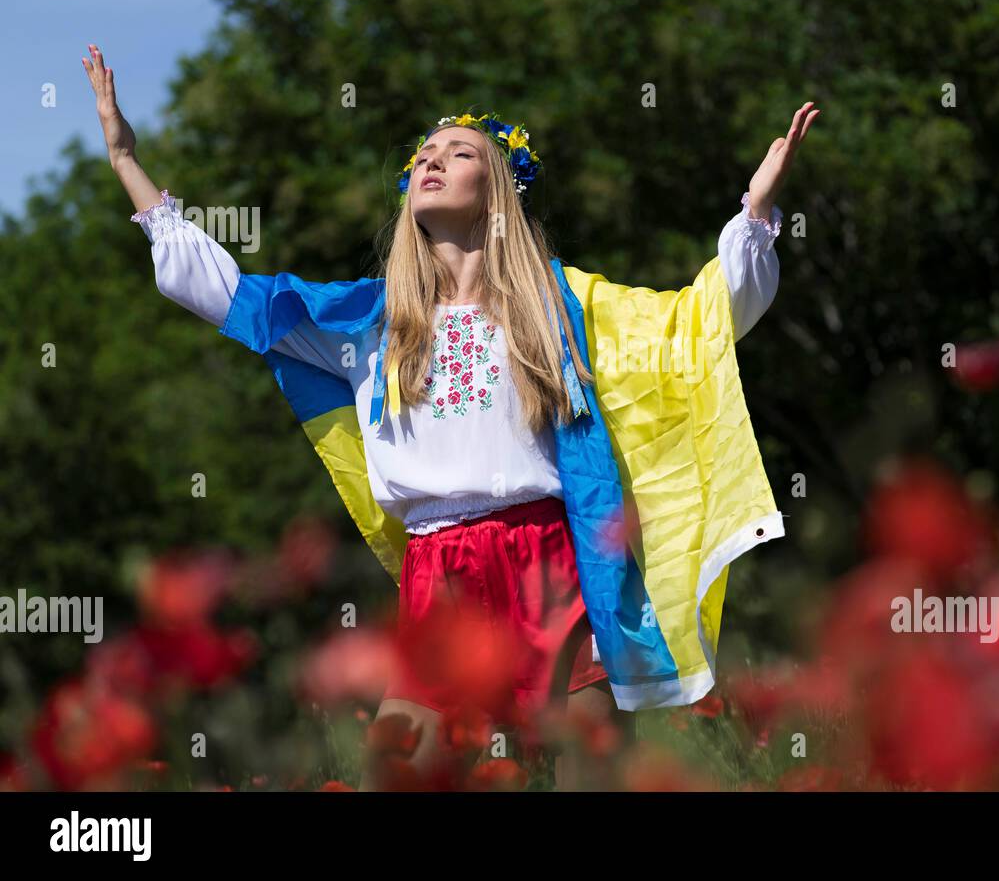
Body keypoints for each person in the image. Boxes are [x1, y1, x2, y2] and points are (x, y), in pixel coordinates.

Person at [82, 42, 818, 789]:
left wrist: (754, 214)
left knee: (586, 773)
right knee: (400, 771)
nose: (430, 162)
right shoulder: (369, 324)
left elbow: (699, 324)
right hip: (439, 576)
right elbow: (222, 291)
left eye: (458, 152)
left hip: (553, 570)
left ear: (497, 186)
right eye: (423, 155)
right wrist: (125, 163)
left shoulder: (564, 308)